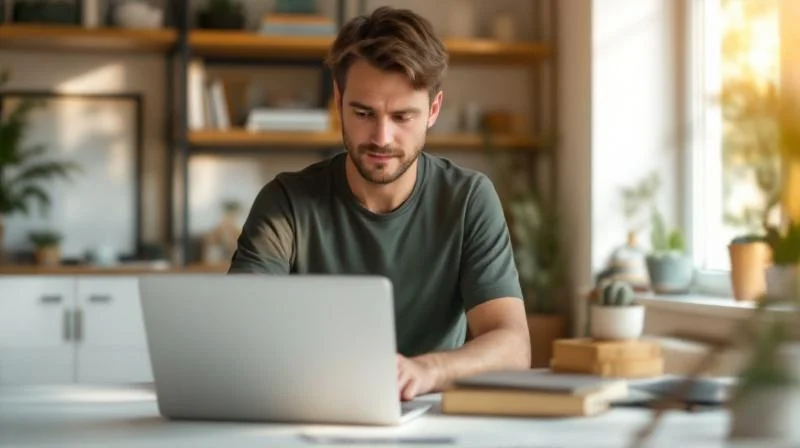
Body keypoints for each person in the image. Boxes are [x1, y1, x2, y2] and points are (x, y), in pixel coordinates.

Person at [228, 6, 531, 401]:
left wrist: (426, 370)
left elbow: (512, 344)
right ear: (338, 100)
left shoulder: (469, 199)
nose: (381, 138)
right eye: (363, 113)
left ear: (433, 110)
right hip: (309, 406)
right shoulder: (286, 202)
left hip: (428, 414)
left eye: (403, 116)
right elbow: (239, 329)